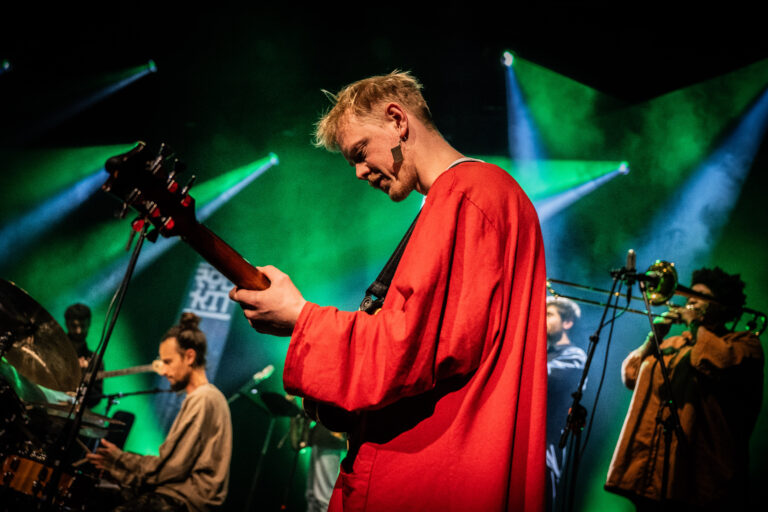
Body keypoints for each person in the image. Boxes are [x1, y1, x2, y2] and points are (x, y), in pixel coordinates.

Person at [230, 71, 548, 511]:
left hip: (430, 474)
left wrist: (301, 318)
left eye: (360, 152)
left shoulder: (465, 195)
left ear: (397, 120)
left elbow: (404, 350)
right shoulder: (483, 195)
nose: (359, 172)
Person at [605, 267, 764, 510]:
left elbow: (717, 361)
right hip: (649, 472)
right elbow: (631, 375)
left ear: (722, 306)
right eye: (689, 293)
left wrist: (694, 327)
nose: (689, 298)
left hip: (700, 477)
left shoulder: (744, 344)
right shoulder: (674, 343)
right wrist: (653, 338)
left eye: (700, 295)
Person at [86, 313, 233, 512]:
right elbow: (170, 468)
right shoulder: (205, 398)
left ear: (189, 356)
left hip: (177, 503)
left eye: (168, 362)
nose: (162, 371)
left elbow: (169, 469)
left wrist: (120, 459)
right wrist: (117, 465)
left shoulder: (204, 398)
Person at [545, 296, 586, 511]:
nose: (542, 319)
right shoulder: (542, 353)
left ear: (567, 322)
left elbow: (547, 377)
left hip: (547, 449)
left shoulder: (575, 356)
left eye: (549, 315)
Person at [64, 303, 104, 408]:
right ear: (67, 324)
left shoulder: (95, 360)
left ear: (89, 324)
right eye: (74, 326)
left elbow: (96, 398)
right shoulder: (53, 350)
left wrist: (83, 382)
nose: (78, 331)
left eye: (82, 326)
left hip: (74, 416)